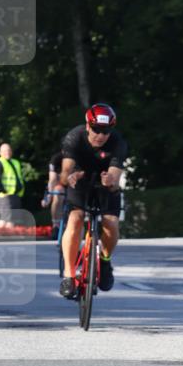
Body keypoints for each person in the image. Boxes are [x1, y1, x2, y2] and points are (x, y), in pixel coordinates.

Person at [58, 103, 128, 298]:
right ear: (88, 126)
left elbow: (115, 177)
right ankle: (69, 275)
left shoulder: (117, 142)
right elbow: (65, 172)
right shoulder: (75, 137)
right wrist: (70, 176)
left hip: (105, 186)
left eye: (105, 131)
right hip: (80, 183)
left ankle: (105, 261)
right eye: (96, 129)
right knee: (75, 219)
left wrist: (110, 180)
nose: (100, 135)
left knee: (110, 223)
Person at [0, 143, 25, 228]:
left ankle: (2, 235)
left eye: (8, 150)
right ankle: (5, 236)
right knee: (7, 218)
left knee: (10, 218)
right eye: (4, 151)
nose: (7, 152)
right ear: (0, 152)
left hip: (15, 194)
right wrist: (3, 191)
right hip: (5, 195)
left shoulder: (15, 162)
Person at [41, 149, 66, 239]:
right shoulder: (56, 158)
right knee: (58, 192)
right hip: (60, 184)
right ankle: (56, 225)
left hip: (74, 184)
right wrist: (49, 196)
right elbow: (52, 179)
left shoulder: (77, 156)